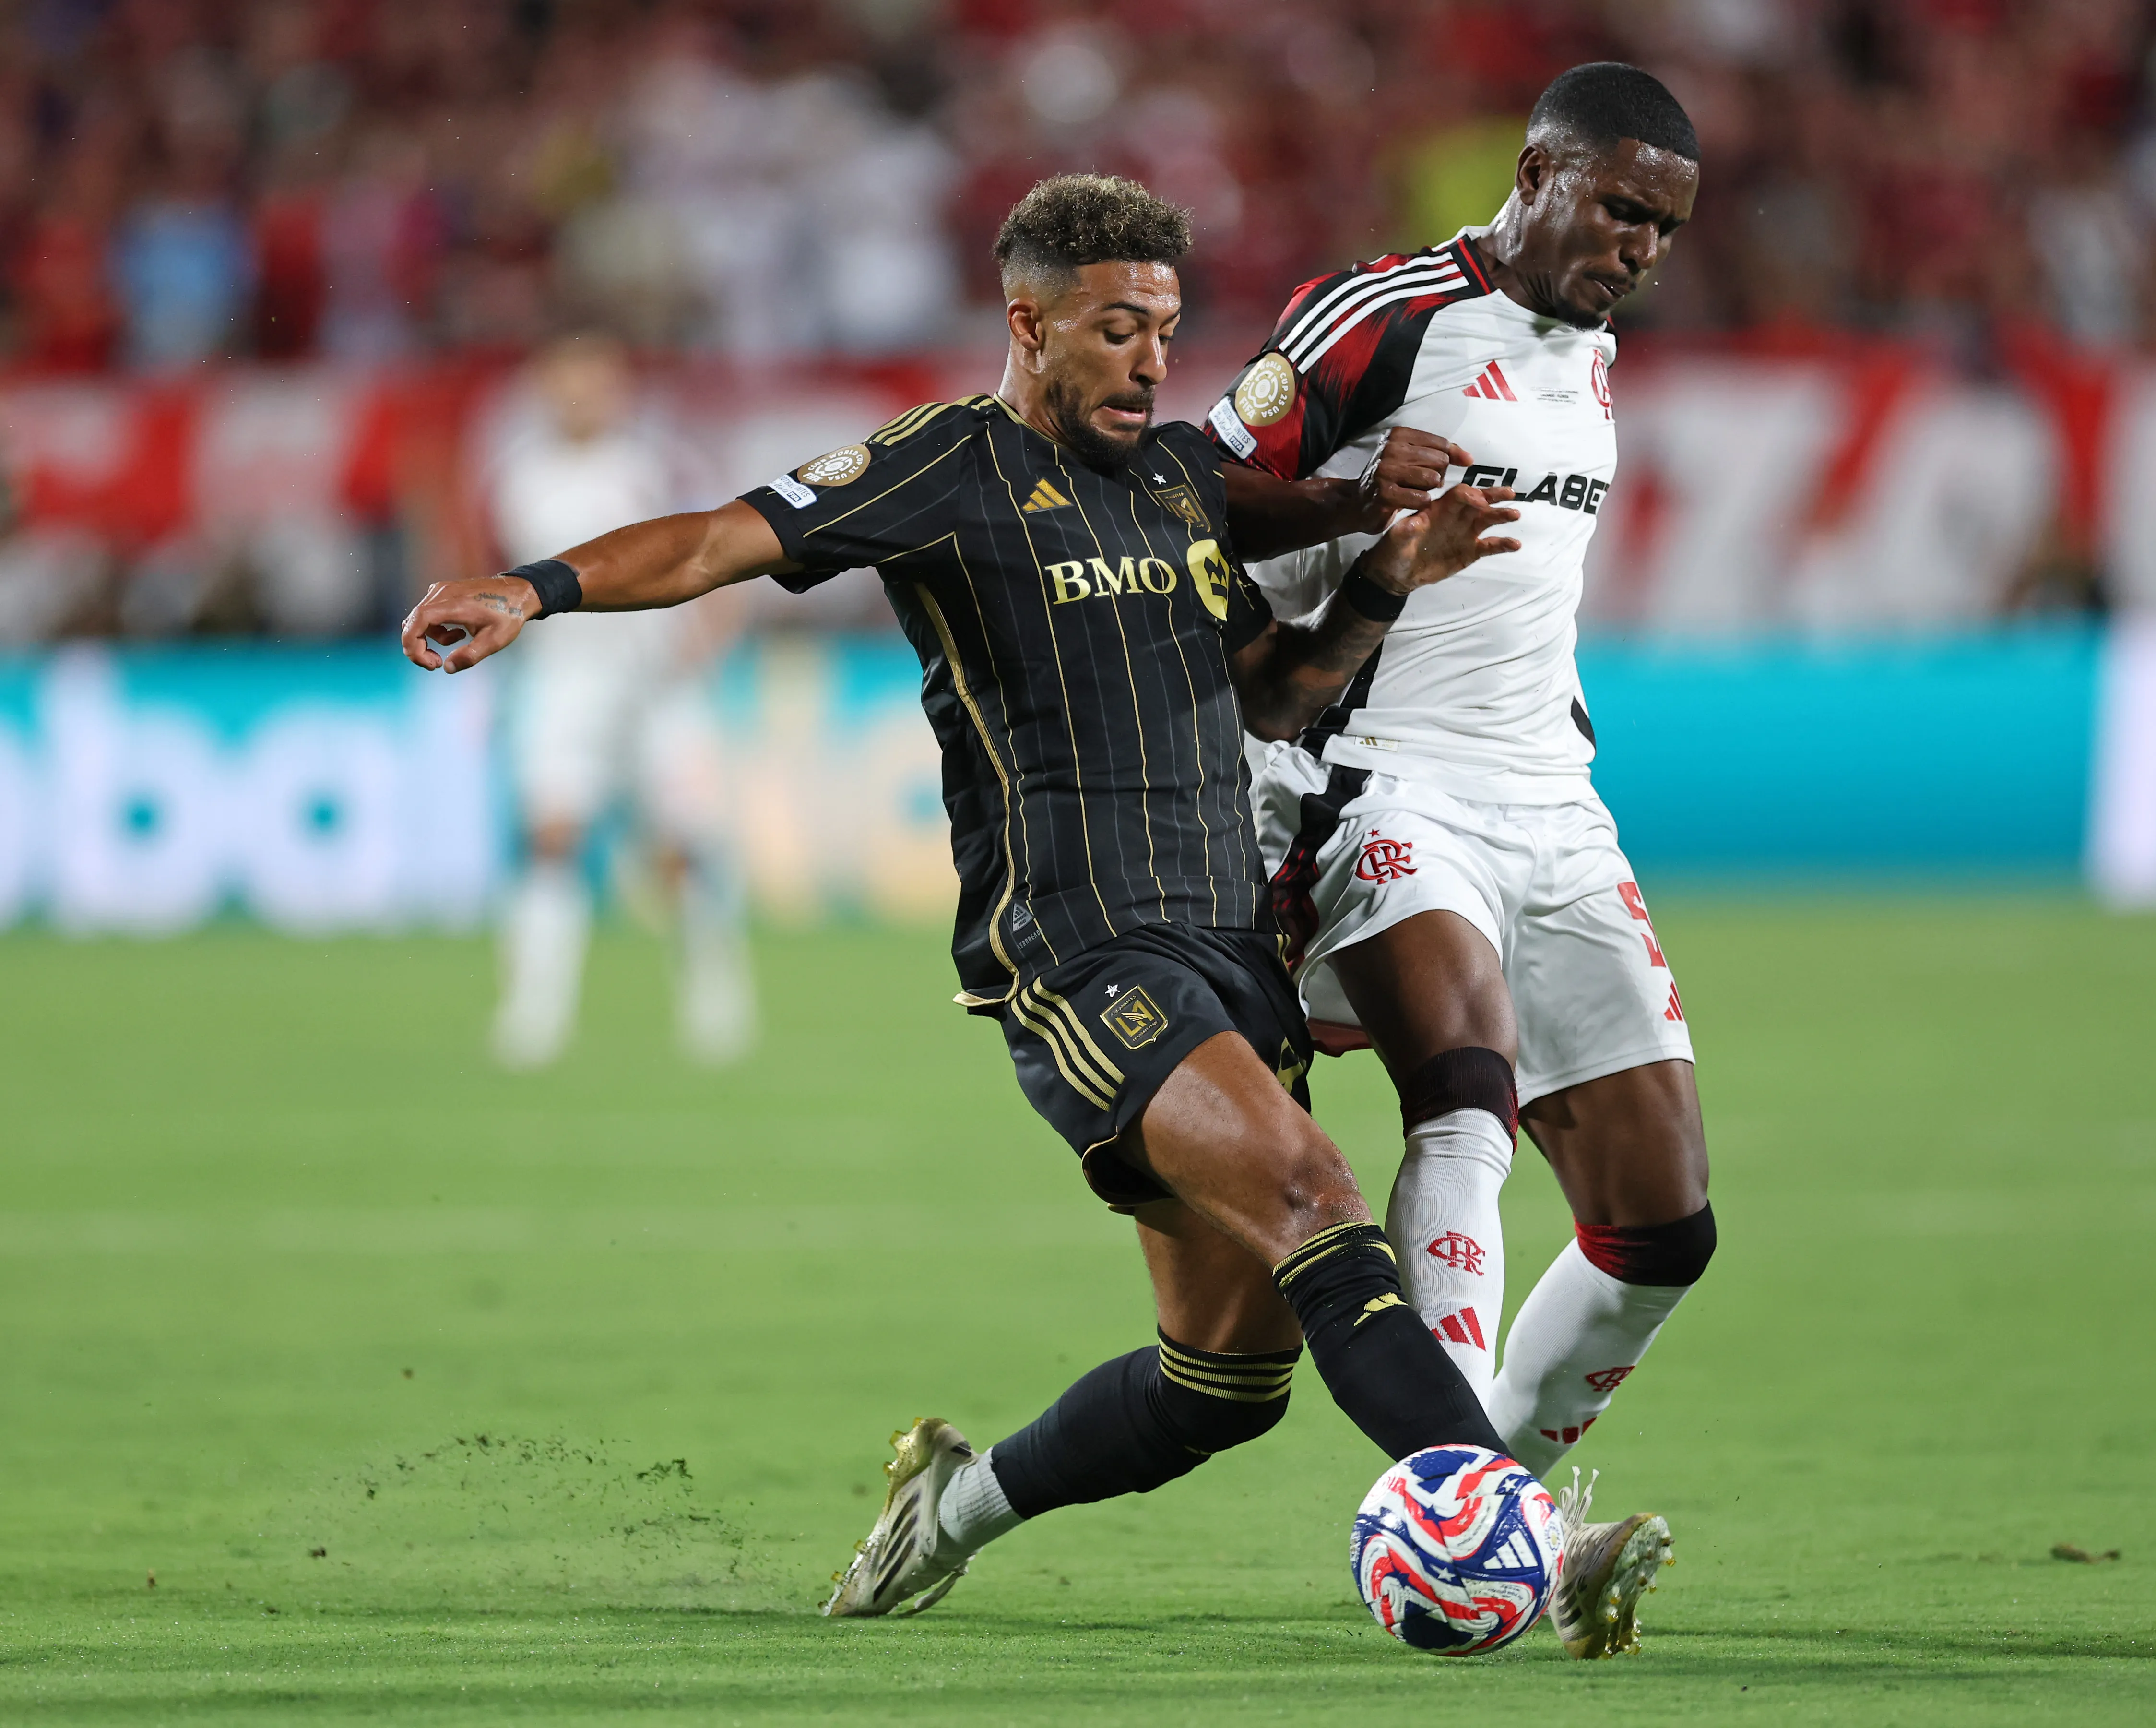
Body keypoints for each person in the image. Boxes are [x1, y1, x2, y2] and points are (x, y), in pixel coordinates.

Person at [401, 176, 1661, 1639]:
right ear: (1030, 325)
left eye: (1164, 330)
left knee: (1224, 1386)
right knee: (1319, 1196)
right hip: (1078, 956)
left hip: (1226, 955)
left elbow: (1273, 692)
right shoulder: (947, 466)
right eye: (1114, 328)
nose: (1145, 359)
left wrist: (1377, 578)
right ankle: (1507, 1530)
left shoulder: (1183, 485)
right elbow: (711, 543)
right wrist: (532, 589)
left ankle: (951, 1507)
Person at [1206, 63, 1712, 1656]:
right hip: (1380, 778)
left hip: (1553, 801)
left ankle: (1499, 1498)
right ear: (1538, 170)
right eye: (1620, 207)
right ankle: (1471, 1515)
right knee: (1468, 1099)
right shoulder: (1389, 316)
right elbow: (1180, 494)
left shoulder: (1593, 357)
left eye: (1663, 228)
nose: (1638, 246)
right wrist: (1347, 499)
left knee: (1662, 1228)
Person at [479, 332, 756, 1070]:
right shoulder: (516, 475)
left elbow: (729, 545)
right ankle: (535, 1011)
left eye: (594, 383)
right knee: (551, 835)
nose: (580, 398)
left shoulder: (655, 465)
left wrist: (710, 637)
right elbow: (485, 575)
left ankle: (716, 996)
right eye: (566, 383)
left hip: (656, 681)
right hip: (562, 680)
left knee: (679, 847)